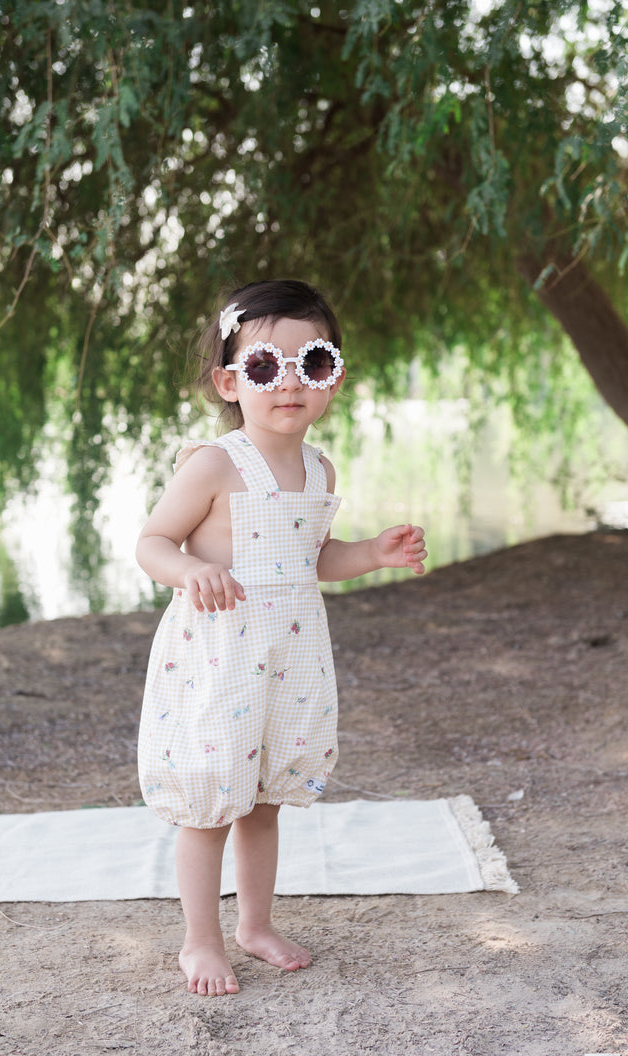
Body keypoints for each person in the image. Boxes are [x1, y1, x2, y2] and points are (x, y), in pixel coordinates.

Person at [136, 279, 427, 997]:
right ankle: (200, 940)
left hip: (288, 657)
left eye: (313, 363)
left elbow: (313, 560)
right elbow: (152, 541)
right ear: (231, 381)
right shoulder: (213, 464)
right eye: (266, 366)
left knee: (263, 800)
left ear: (335, 377)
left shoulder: (319, 468)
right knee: (212, 804)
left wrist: (371, 554)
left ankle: (255, 924)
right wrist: (191, 568)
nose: (290, 382)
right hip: (219, 657)